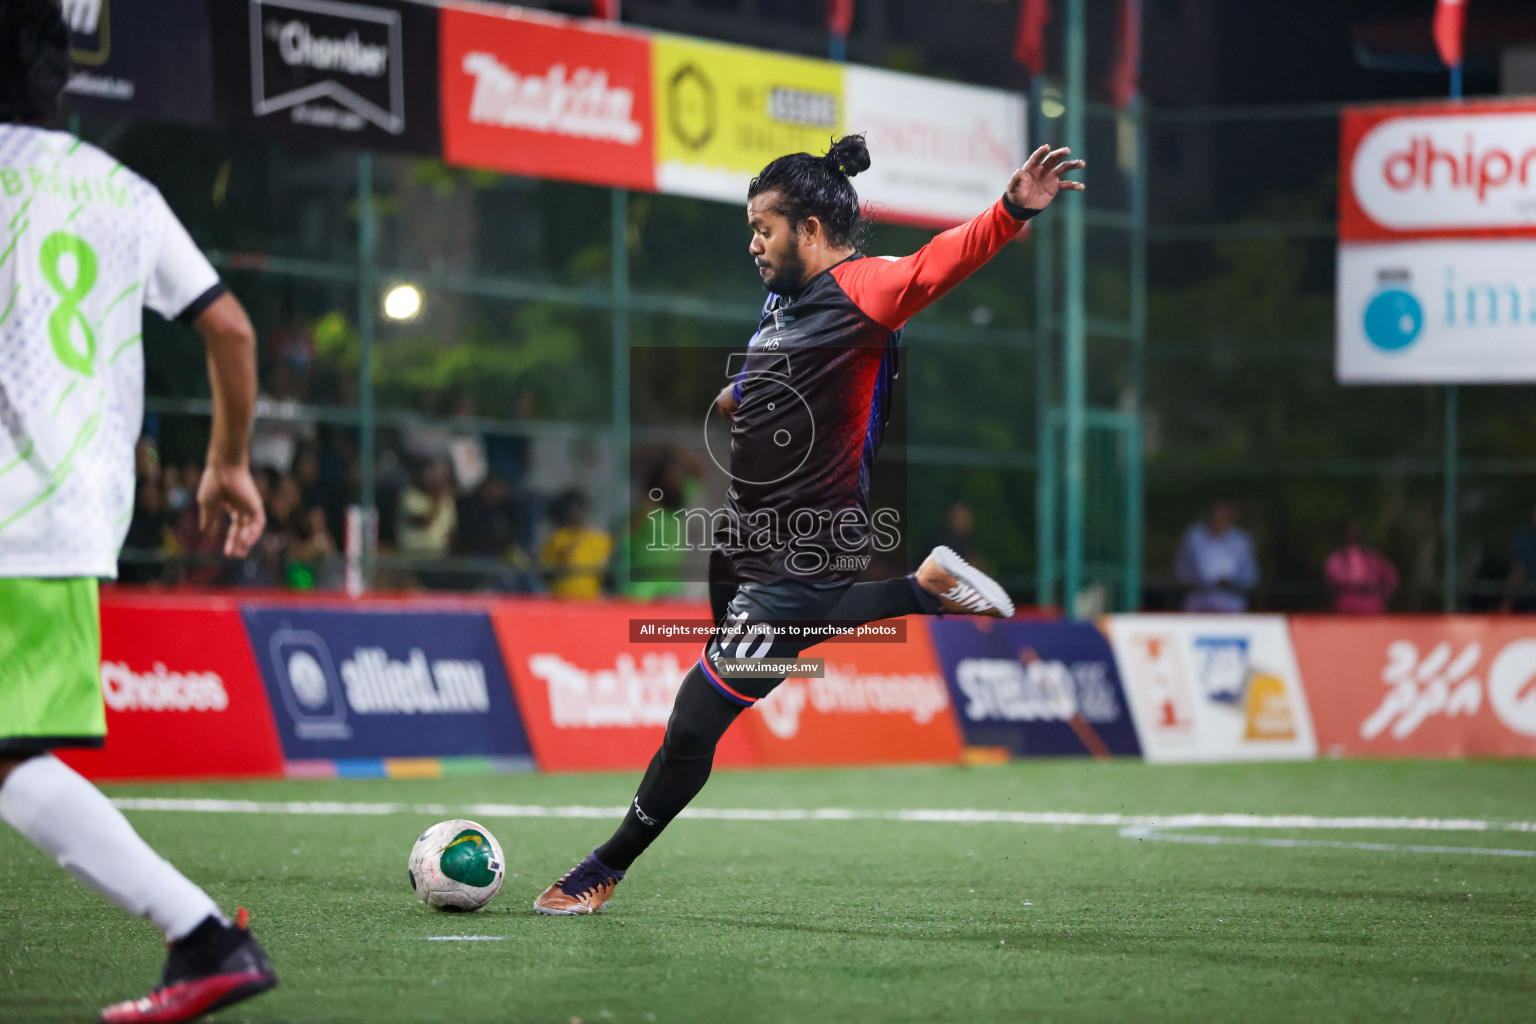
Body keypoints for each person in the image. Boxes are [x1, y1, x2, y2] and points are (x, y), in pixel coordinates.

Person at [533, 135, 1082, 914]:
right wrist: (741, 398)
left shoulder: (864, 288)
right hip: (751, 539)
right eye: (752, 227)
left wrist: (1011, 209)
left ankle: (600, 871)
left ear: (813, 230)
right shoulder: (784, 306)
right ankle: (923, 590)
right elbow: (782, 377)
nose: (754, 242)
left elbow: (935, 263)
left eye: (766, 227)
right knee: (748, 653)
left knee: (694, 721)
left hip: (805, 546)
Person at [0, 3, 278, 1020]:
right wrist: (228, 463)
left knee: (13, 762)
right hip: (72, 511)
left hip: (8, 516)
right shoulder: (121, 188)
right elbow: (233, 332)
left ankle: (205, 934)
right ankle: (205, 935)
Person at [1175, 500, 1258, 613]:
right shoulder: (1194, 537)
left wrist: (1230, 583)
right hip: (1199, 602)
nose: (1219, 518)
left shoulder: (1240, 540)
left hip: (1231, 603)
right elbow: (1182, 571)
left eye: (1224, 515)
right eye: (1217, 514)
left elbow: (1250, 577)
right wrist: (1200, 582)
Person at [541, 489, 614, 599]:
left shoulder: (599, 539)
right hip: (562, 600)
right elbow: (547, 573)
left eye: (582, 508)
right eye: (575, 508)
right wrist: (562, 556)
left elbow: (609, 573)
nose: (579, 513)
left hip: (590, 600)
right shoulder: (557, 538)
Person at [1324, 521, 1398, 614]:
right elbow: (1332, 579)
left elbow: (1391, 578)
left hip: (1371, 602)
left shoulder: (1374, 558)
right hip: (1347, 601)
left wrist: (1382, 595)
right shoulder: (1338, 558)